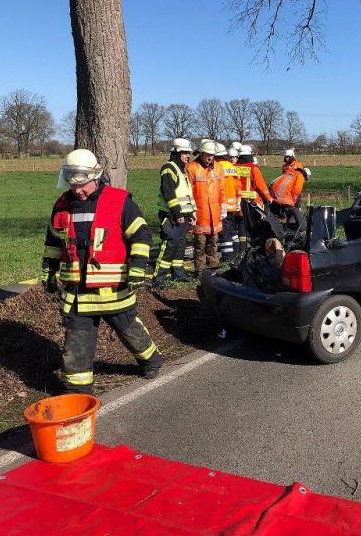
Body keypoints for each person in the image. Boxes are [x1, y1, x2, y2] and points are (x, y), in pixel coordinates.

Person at [40, 149, 162, 394]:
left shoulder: (119, 201)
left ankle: (152, 360)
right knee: (76, 343)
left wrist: (138, 267)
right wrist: (49, 272)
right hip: (77, 293)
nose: (77, 190)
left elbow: (141, 234)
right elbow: (54, 242)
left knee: (129, 330)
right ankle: (78, 394)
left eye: (82, 184)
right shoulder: (62, 205)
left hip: (113, 290)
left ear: (96, 176)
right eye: (72, 184)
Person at [153, 138, 197, 287]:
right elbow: (169, 193)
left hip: (182, 216)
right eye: (185, 153)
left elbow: (185, 194)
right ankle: (159, 278)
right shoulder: (169, 168)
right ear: (177, 153)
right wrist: (178, 214)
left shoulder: (181, 169)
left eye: (189, 153)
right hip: (171, 216)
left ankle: (178, 274)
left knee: (180, 245)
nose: (188, 156)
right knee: (170, 245)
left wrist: (190, 213)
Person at [187, 139, 226, 274]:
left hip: (214, 214)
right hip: (200, 214)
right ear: (201, 153)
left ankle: (214, 269)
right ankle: (200, 271)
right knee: (200, 244)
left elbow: (222, 190)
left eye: (212, 155)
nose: (210, 157)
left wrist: (224, 206)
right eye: (208, 154)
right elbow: (188, 191)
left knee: (213, 243)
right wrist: (190, 211)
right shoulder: (192, 168)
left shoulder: (219, 168)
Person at [235, 144, 273, 257]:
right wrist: (269, 199)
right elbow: (261, 185)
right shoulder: (253, 168)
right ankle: (253, 247)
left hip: (237, 202)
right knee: (254, 226)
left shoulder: (233, 167)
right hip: (251, 203)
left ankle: (240, 249)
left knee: (239, 226)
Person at [214, 144, 242, 264]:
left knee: (224, 233)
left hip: (223, 205)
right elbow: (238, 185)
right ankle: (236, 252)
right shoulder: (231, 166)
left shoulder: (217, 167)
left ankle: (227, 258)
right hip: (233, 204)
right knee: (232, 230)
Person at [270, 148, 308, 228]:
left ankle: (277, 224)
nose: (287, 159)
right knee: (291, 207)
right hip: (287, 190)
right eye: (286, 157)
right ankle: (290, 225)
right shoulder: (299, 174)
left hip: (277, 190)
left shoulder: (296, 165)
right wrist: (294, 201)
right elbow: (296, 190)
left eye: (288, 157)